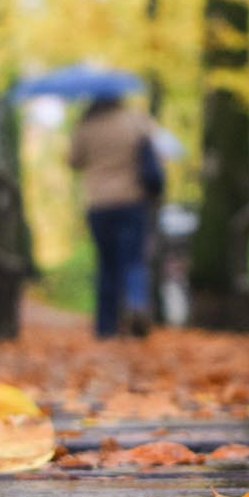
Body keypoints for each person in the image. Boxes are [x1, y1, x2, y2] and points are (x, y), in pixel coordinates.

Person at [68, 94, 163, 337]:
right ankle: (136, 303)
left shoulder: (86, 127)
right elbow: (156, 152)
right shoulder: (135, 121)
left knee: (106, 264)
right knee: (133, 260)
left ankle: (106, 326)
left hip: (99, 204)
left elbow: (73, 161)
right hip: (132, 200)